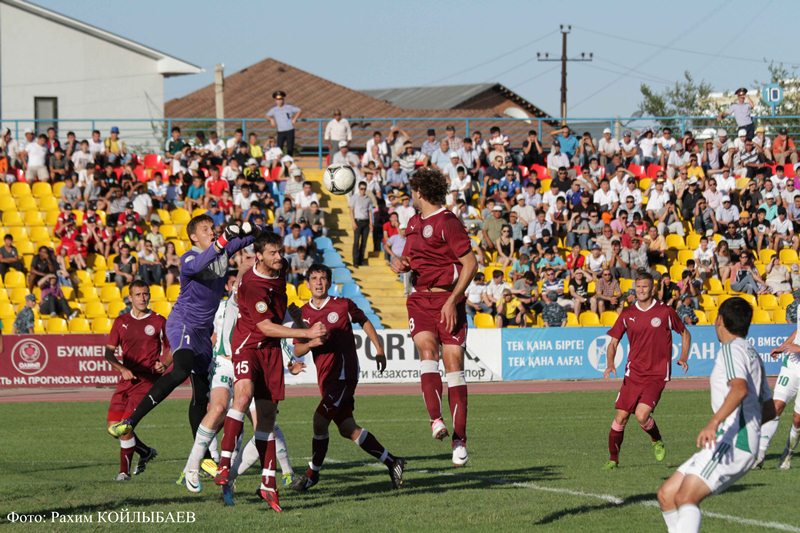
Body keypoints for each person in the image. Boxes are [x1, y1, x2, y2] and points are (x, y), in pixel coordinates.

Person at [107, 217, 256, 447]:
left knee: (201, 395)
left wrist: (252, 228)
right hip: (183, 322)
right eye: (205, 230)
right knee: (181, 369)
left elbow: (251, 237)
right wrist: (225, 239)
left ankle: (203, 457)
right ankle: (130, 421)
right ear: (194, 237)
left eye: (212, 228)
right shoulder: (189, 257)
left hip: (204, 333)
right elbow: (199, 265)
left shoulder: (223, 251)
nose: (211, 232)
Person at [213, 231, 324, 512]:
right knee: (243, 394)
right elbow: (265, 326)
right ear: (259, 256)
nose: (279, 257)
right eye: (273, 253)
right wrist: (305, 331)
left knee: (267, 418)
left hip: (271, 352)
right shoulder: (252, 284)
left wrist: (296, 313)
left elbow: (281, 303)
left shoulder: (280, 267)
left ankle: (267, 484)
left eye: (280, 252)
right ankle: (224, 464)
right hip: (249, 344)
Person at [182, 248, 295, 496]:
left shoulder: (264, 295)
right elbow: (210, 334)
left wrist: (292, 357)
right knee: (219, 408)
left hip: (254, 363)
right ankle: (192, 467)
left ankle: (238, 474)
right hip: (226, 363)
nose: (238, 283)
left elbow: (282, 328)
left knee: (265, 423)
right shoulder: (229, 302)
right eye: (233, 281)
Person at [657, 297, 769, 533]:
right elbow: (768, 408)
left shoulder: (731, 350)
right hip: (730, 438)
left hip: (734, 440)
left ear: (719, 320)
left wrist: (714, 423)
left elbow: (739, 388)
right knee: (667, 494)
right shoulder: (752, 353)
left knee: (686, 497)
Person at [391, 167, 478, 467]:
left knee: (453, 365)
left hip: (447, 300)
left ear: (420, 192)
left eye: (412, 190)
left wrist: (453, 300)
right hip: (419, 300)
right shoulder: (414, 222)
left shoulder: (448, 222)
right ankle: (435, 421)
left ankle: (460, 439)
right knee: (427, 352)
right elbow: (412, 258)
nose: (410, 195)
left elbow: (471, 263)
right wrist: (402, 263)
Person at [289, 264, 404, 492]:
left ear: (329, 282)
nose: (319, 282)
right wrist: (311, 340)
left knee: (319, 420)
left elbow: (364, 320)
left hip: (343, 374)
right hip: (326, 378)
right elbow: (299, 349)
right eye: (314, 278)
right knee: (347, 428)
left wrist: (378, 349)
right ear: (308, 283)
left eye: (323, 278)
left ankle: (312, 475)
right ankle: (393, 462)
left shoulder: (342, 305)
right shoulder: (302, 313)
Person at [603, 271, 691, 470]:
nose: (641, 290)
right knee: (620, 418)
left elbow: (685, 333)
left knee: (642, 415)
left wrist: (684, 356)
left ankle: (656, 440)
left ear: (652, 288)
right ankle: (613, 460)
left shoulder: (665, 312)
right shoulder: (627, 314)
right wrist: (610, 363)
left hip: (657, 374)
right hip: (633, 373)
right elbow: (613, 343)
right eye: (638, 286)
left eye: (645, 286)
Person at [104, 281, 170, 481]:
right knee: (112, 427)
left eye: (146, 294)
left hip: (148, 381)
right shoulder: (121, 321)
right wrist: (122, 369)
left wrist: (165, 363)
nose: (143, 298)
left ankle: (124, 472)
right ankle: (145, 451)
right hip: (126, 380)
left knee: (125, 426)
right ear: (130, 298)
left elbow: (171, 348)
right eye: (138, 294)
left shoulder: (159, 321)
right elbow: (108, 353)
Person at [267, 91, 301, 155]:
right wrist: (271, 119)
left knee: (290, 148)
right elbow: (267, 115)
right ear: (275, 100)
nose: (279, 101)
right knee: (279, 149)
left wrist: (295, 119)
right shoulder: (274, 109)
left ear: (283, 99)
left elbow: (299, 110)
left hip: (290, 130)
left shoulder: (289, 107)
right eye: (277, 100)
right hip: (280, 131)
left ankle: (288, 163)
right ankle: (279, 163)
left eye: (280, 99)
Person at [349, 181, 372, 267]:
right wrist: (353, 222)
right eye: (361, 189)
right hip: (358, 221)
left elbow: (369, 211)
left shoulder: (368, 199)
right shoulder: (354, 197)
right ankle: (355, 261)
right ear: (359, 189)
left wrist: (371, 223)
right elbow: (351, 210)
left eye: (364, 189)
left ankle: (361, 260)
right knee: (356, 242)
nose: (363, 190)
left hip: (366, 222)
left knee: (364, 242)